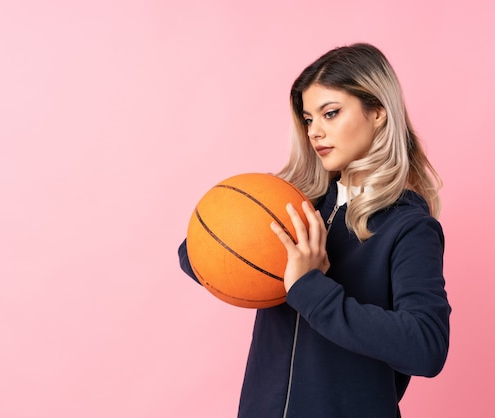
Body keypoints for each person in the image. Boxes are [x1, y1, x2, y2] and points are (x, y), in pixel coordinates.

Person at [178, 42, 451, 418]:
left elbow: (426, 346)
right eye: (308, 120)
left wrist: (310, 289)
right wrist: (232, 237)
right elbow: (193, 255)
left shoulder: (408, 227)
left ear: (378, 112)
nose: (316, 132)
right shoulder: (296, 206)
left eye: (331, 113)